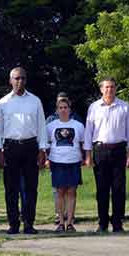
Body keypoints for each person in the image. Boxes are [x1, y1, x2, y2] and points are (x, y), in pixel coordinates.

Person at [0, 67, 48, 234]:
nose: (19, 81)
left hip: (31, 146)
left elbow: (41, 126)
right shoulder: (3, 102)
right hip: (10, 147)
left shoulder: (35, 101)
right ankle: (13, 224)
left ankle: (29, 223)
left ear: (26, 80)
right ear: (10, 81)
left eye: (22, 78)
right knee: (11, 188)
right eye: (16, 78)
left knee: (31, 187)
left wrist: (42, 149)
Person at [83, 78, 129, 233]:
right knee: (102, 189)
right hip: (100, 151)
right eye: (106, 87)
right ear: (101, 89)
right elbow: (88, 132)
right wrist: (88, 154)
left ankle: (118, 222)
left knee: (119, 189)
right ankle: (103, 222)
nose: (109, 90)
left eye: (112, 87)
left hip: (119, 150)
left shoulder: (124, 107)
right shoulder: (94, 108)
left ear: (116, 89)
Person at [46, 96, 85, 232]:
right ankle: (61, 222)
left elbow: (82, 143)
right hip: (57, 161)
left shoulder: (78, 126)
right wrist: (46, 158)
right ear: (57, 110)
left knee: (72, 192)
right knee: (60, 192)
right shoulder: (51, 126)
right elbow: (46, 145)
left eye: (65, 108)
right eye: (60, 108)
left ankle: (70, 222)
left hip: (73, 161)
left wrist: (85, 158)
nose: (63, 110)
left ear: (70, 109)